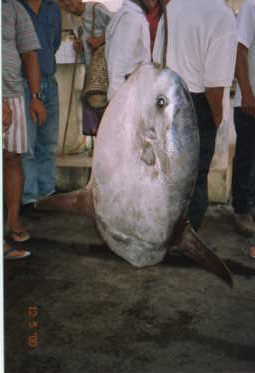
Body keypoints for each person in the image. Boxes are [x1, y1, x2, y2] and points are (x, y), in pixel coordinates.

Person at [154, 0, 237, 231]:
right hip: (197, 102)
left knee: (167, 173)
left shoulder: (173, 8)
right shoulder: (222, 15)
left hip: (166, 96)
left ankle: (163, 231)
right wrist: (217, 119)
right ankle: (185, 236)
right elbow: (215, 84)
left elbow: (156, 60)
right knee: (195, 176)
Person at [2, 0, 47, 243]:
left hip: (15, 94)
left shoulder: (14, 8)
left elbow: (30, 53)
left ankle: (13, 219)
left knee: (13, 157)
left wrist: (36, 98)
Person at [19, 0, 62, 209]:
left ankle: (47, 195)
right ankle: (29, 198)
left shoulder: (53, 8)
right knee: (27, 145)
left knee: (49, 143)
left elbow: (55, 43)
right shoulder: (14, 7)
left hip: (50, 81)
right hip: (22, 84)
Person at [58, 0, 113, 136]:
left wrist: (101, 39)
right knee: (94, 104)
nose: (67, 4)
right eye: (63, 4)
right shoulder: (72, 18)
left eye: (69, 2)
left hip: (107, 70)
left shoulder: (96, 9)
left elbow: (120, 28)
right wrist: (80, 46)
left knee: (107, 107)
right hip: (91, 70)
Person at [106, 0, 163, 101]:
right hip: (126, 94)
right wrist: (117, 103)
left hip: (132, 90)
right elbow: (117, 63)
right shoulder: (131, 18)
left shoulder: (133, 15)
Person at [231, 0, 255, 239]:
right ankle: (241, 211)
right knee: (247, 158)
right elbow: (239, 49)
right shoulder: (251, 6)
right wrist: (247, 93)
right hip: (250, 101)